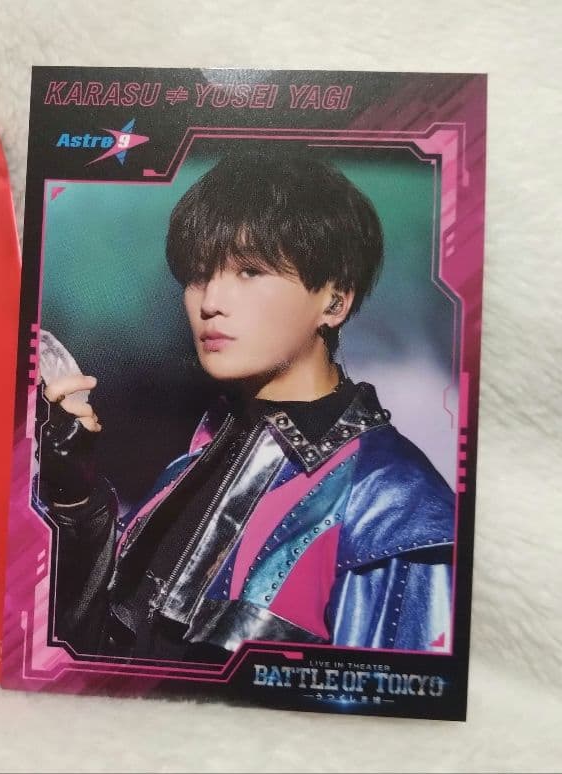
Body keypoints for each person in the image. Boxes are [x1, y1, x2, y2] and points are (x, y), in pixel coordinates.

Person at [36, 152, 454, 661]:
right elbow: (97, 654)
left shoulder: (393, 506)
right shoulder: (194, 463)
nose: (210, 301)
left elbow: (389, 701)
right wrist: (76, 498)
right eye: (198, 275)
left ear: (335, 301)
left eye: (250, 271)